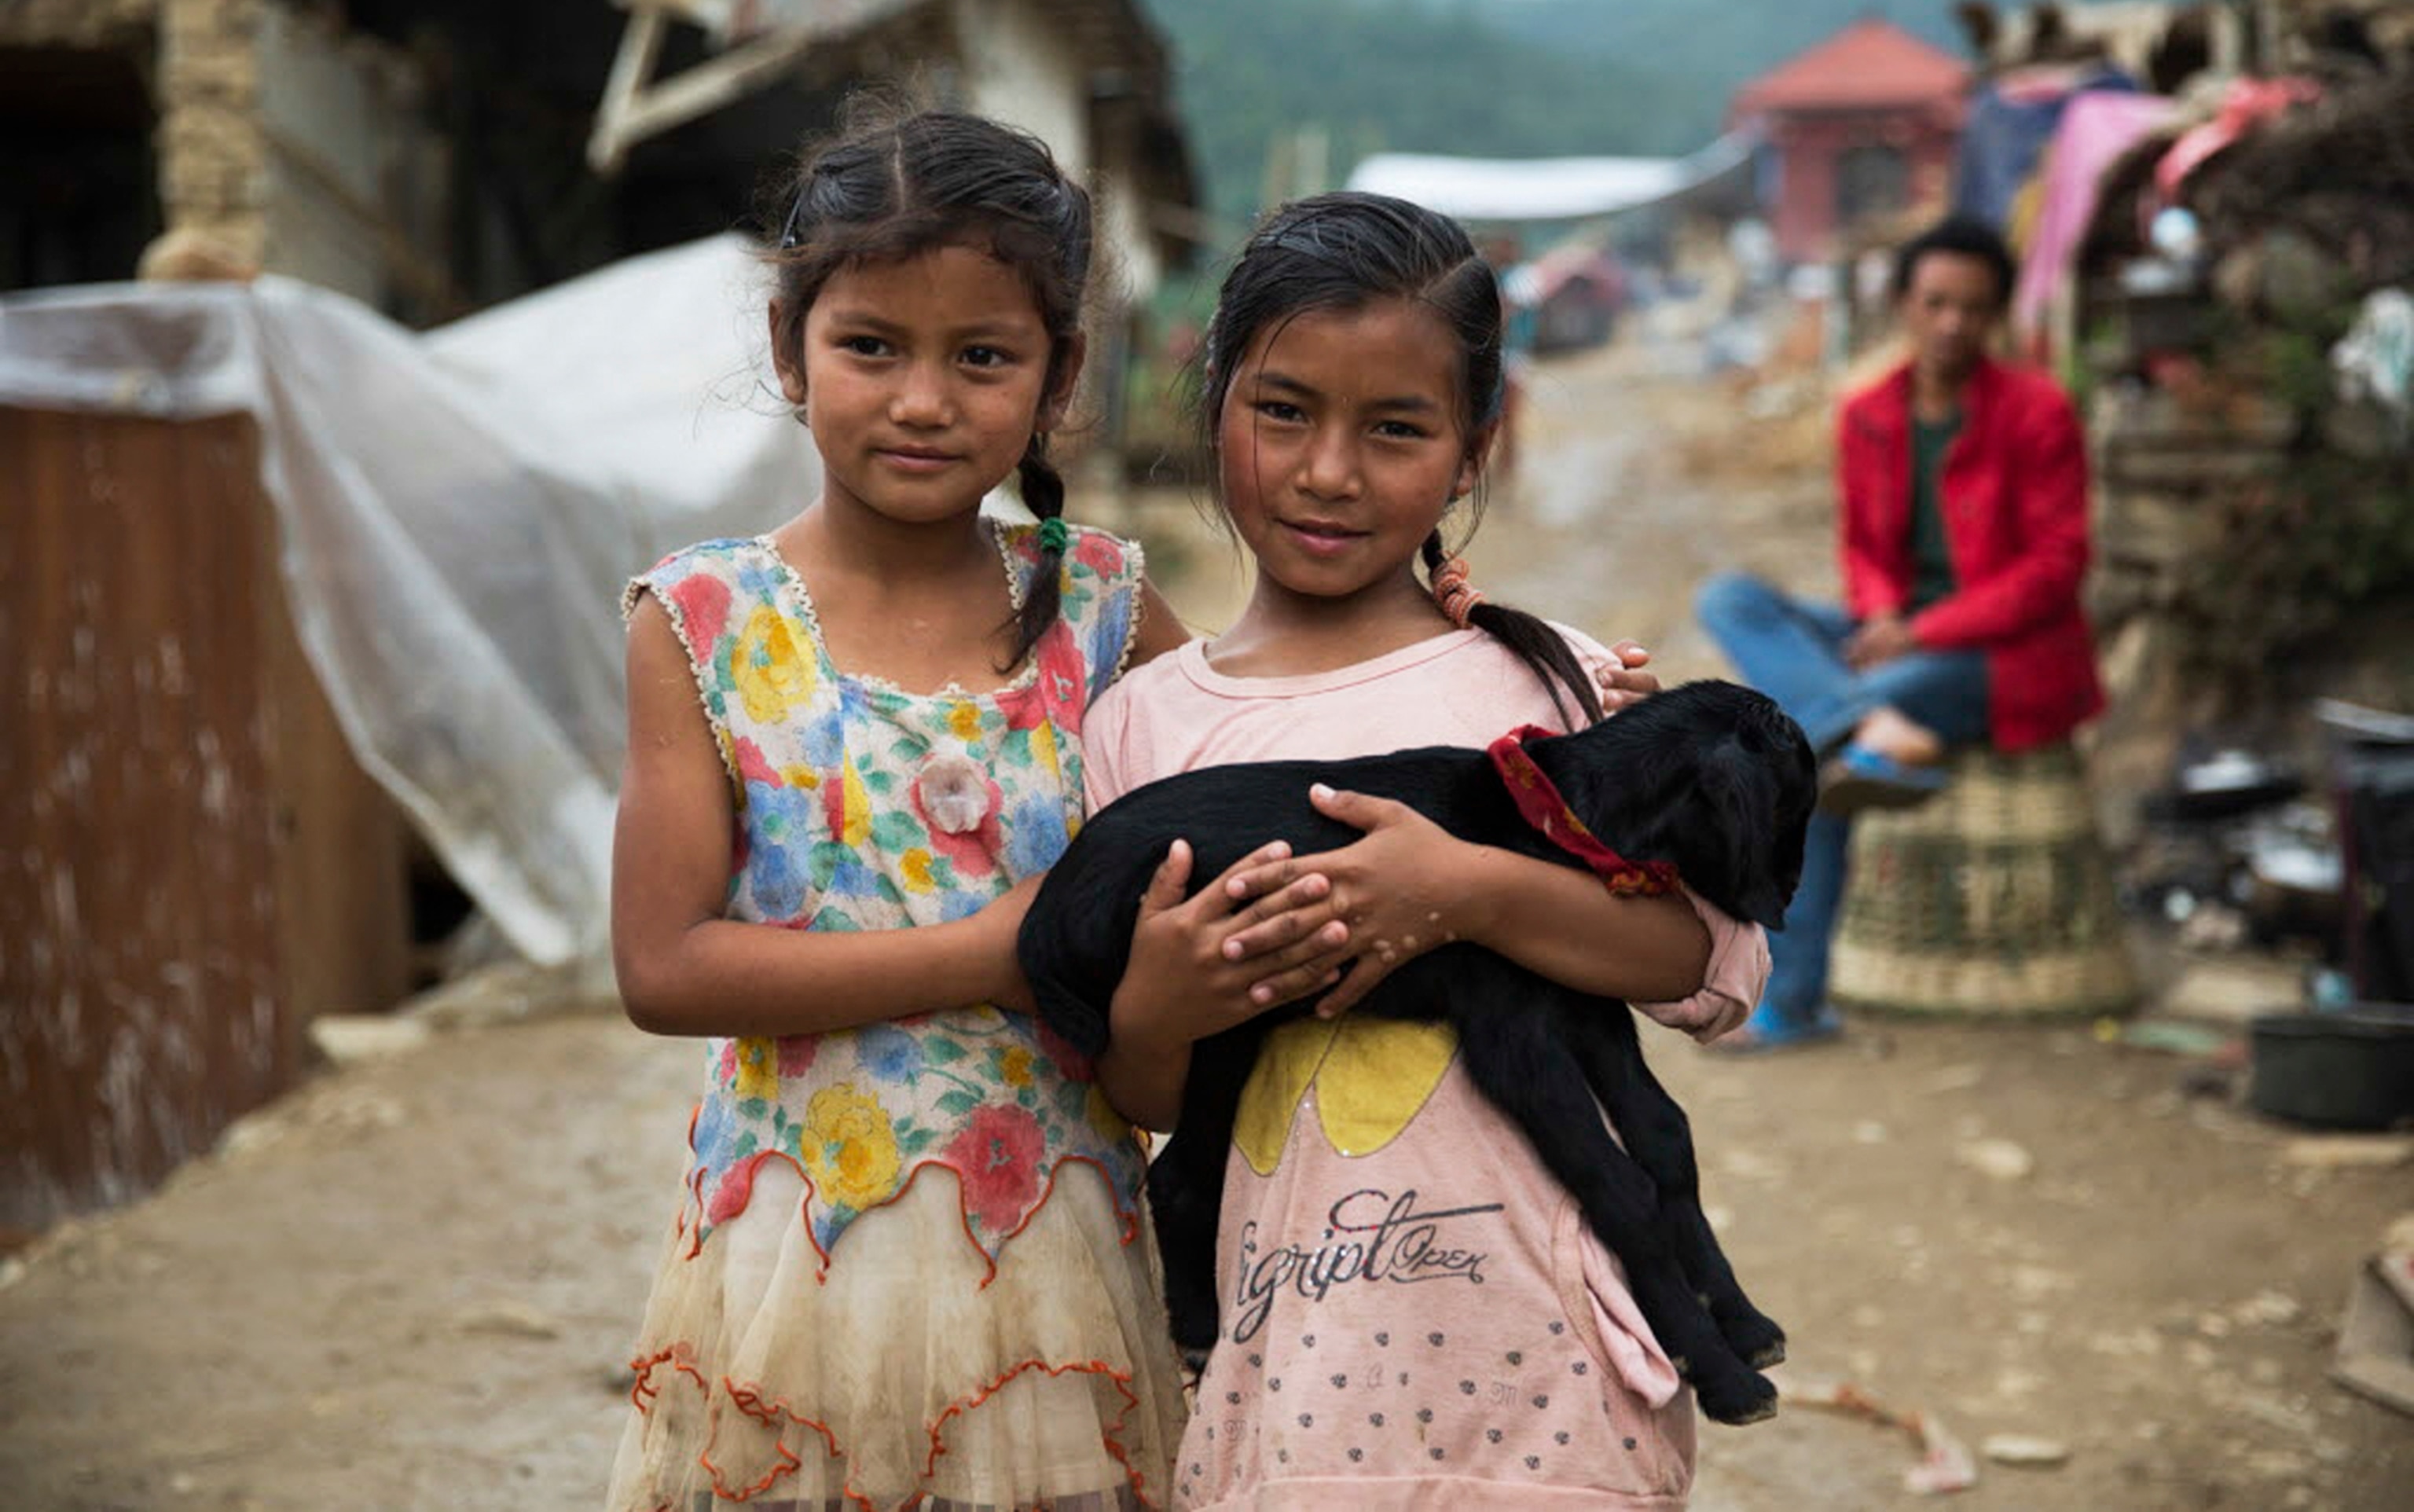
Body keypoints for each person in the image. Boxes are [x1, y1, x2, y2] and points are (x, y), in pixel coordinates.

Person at [604, 106, 1355, 1512]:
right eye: (870, 344)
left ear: (1057, 376)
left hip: (1053, 1242)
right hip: (797, 1252)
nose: (923, 399)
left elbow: (1270, 753)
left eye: (983, 356)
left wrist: (1506, 672)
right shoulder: (704, 618)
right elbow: (665, 965)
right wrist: (1004, 948)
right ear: (788, 349)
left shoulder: (1102, 605)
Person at [1082, 190, 1773, 1510]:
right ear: (1211, 399)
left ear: (1472, 450)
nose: (1328, 470)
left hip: (1553, 1384)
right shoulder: (1143, 728)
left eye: (1394, 427)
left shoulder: (1546, 682)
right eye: (1282, 410)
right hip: (1283, 1383)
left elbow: (1713, 962)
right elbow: (1140, 1092)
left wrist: (1466, 889)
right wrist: (1159, 1004)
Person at [1693, 212, 2104, 1052]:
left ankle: (1793, 1001)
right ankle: (1860, 723)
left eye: (1973, 308)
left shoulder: (2037, 411)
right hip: (1895, 639)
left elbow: (2055, 570)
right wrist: (1882, 615)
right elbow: (1864, 546)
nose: (1953, 323)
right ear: (1905, 306)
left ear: (1994, 316)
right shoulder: (1870, 410)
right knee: (1730, 598)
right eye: (1937, 303)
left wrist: (1923, 631)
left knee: (1803, 752)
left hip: (2005, 653)